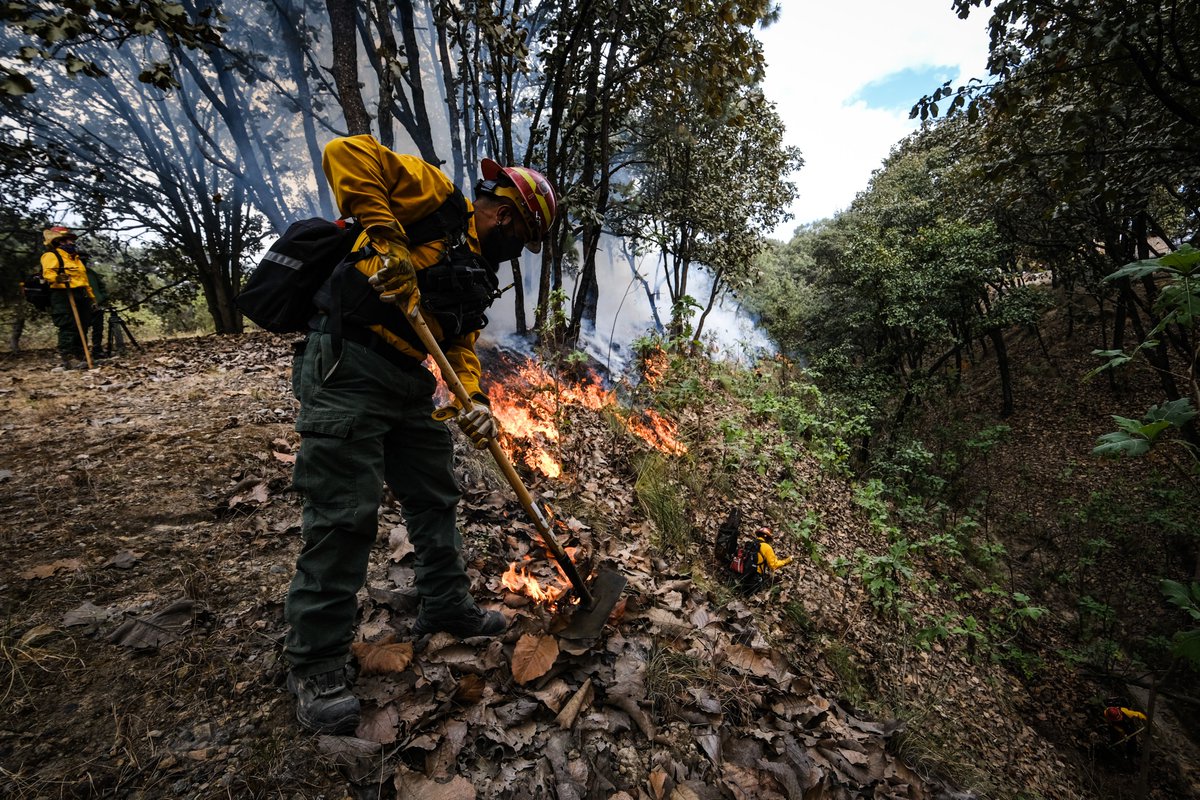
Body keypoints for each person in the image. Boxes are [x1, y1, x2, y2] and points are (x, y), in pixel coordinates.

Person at [284, 134, 557, 734]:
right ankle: (315, 661)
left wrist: (476, 399)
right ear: (508, 215)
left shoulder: (477, 274)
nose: (519, 250)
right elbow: (346, 152)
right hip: (347, 363)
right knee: (344, 512)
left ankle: (446, 604)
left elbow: (458, 347)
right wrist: (385, 242)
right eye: (524, 238)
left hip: (409, 380)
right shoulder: (435, 199)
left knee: (435, 495)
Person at [41, 227, 95, 369]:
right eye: (69, 240)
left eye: (72, 240)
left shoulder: (76, 259)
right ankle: (69, 359)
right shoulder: (52, 256)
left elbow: (84, 280)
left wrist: (91, 297)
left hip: (80, 293)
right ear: (60, 241)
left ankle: (82, 356)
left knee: (83, 325)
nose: (72, 242)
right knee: (68, 325)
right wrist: (58, 278)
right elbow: (48, 274)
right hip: (63, 294)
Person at [84, 264, 110, 359]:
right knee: (83, 329)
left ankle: (97, 350)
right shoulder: (74, 272)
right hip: (83, 305)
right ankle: (83, 352)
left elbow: (101, 286)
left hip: (97, 303)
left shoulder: (91, 273)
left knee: (98, 328)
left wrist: (102, 297)